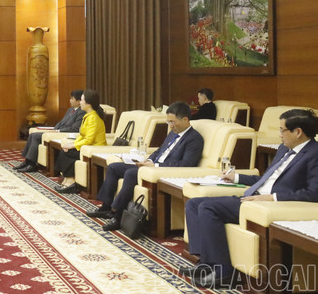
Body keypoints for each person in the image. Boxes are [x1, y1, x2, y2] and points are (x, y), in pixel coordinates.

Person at [180, 108, 318, 289]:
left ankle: (223, 272)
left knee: (207, 208)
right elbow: (265, 179)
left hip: (270, 204)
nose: (279, 135)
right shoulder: (285, 149)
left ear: (298, 132)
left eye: (282, 130)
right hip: (254, 197)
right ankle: (205, 264)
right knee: (193, 204)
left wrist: (273, 198)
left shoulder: (314, 154)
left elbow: (313, 192)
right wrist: (236, 177)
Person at [88, 101, 204, 231]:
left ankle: (117, 215)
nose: (170, 126)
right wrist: (147, 160)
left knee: (131, 174)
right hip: (151, 166)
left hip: (163, 171)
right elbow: (159, 151)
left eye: (172, 122)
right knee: (114, 167)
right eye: (168, 122)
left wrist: (155, 165)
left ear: (185, 119)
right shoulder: (173, 133)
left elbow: (186, 164)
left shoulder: (194, 139)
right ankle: (106, 207)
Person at [15, 90, 85, 173]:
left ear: (78, 101)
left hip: (63, 134)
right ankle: (27, 161)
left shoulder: (81, 112)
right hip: (56, 131)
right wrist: (54, 129)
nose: (70, 100)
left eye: (72, 99)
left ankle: (32, 165)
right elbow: (61, 122)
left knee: (36, 136)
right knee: (33, 134)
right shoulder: (70, 110)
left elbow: (74, 128)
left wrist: (58, 131)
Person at [53, 89, 107, 193]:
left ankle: (71, 181)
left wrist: (74, 146)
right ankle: (68, 179)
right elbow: (83, 135)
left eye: (82, 100)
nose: (80, 102)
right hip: (86, 146)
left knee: (67, 153)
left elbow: (89, 140)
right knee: (64, 150)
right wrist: (72, 143)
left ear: (89, 103)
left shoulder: (93, 118)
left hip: (94, 148)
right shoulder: (87, 115)